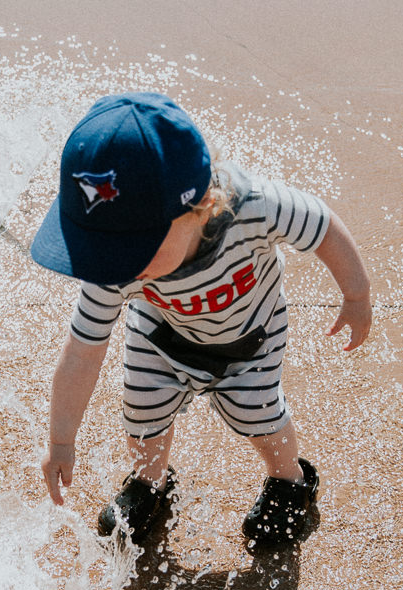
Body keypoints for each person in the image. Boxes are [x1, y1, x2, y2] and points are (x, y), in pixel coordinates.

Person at [30, 92, 372, 545]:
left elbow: (323, 226)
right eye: (101, 247)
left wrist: (356, 293)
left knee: (257, 414)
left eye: (131, 247)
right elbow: (82, 353)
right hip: (161, 338)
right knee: (142, 409)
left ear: (200, 205)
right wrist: (60, 441)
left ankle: (290, 483)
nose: (116, 264)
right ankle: (150, 483)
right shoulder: (112, 269)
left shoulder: (256, 207)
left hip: (252, 336)